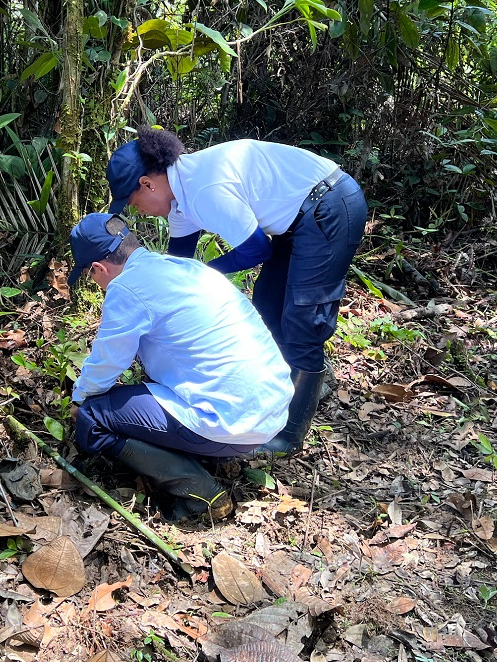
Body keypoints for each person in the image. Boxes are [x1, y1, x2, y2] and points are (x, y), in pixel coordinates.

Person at [105, 128, 368, 457]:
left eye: (134, 202)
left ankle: (288, 436)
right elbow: (176, 267)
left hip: (329, 205)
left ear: (148, 184)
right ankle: (278, 398)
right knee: (268, 309)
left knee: (304, 320)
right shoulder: (181, 200)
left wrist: (205, 275)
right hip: (296, 219)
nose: (139, 211)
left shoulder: (204, 189)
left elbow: (256, 250)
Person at [67, 212, 293, 522]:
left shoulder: (126, 288)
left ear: (98, 268)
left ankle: (199, 491)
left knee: (94, 415)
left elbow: (107, 363)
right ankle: (200, 455)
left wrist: (79, 400)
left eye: (92, 276)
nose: (97, 283)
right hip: (270, 413)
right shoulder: (184, 267)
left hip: (231, 422)